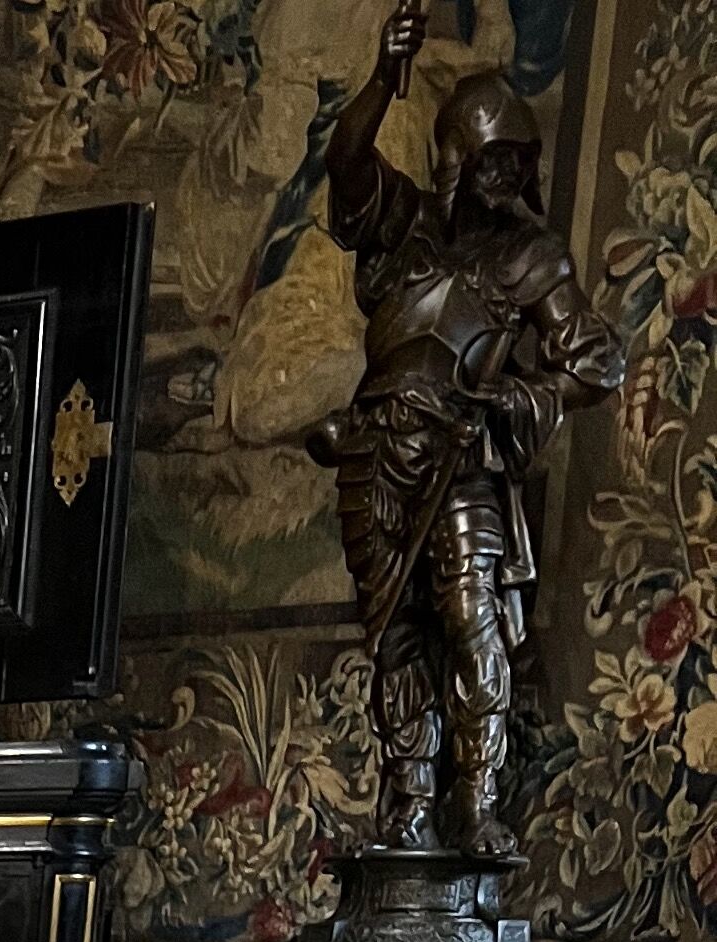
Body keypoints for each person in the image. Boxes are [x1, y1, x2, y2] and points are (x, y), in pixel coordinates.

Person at [309, 0, 620, 867]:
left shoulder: (533, 256)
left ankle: (476, 803)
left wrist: (518, 399)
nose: (503, 184)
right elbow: (345, 156)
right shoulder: (401, 222)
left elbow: (598, 360)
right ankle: (408, 803)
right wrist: (385, 76)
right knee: (395, 635)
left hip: (465, 459)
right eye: (490, 164)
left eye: (515, 166)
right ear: (455, 160)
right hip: (375, 452)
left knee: (469, 620)